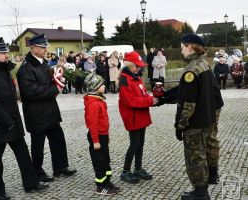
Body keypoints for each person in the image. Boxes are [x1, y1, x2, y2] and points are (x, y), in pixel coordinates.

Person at [0, 37, 48, 200]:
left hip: (12, 123)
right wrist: (8, 122)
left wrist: (14, 121)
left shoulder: (5, 70)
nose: (6, 56)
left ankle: (31, 183)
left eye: (6, 53)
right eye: (2, 53)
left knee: (23, 154)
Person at [16, 34, 76, 183]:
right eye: (42, 47)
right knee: (38, 145)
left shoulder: (42, 63)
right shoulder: (25, 68)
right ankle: (37, 171)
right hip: (37, 114)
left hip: (50, 110)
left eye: (45, 47)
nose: (45, 49)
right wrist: (54, 89)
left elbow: (48, 81)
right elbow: (31, 92)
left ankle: (60, 166)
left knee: (58, 139)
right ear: (33, 48)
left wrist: (57, 77)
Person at [164, 33, 216, 200]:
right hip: (206, 119)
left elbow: (188, 104)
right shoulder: (204, 64)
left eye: (182, 48)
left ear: (190, 46)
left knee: (195, 157)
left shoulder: (191, 70)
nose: (181, 51)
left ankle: (200, 192)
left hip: (194, 124)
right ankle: (203, 187)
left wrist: (180, 125)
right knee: (202, 153)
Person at [118, 51, 158, 184]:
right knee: (134, 145)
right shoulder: (125, 79)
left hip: (141, 116)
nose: (139, 68)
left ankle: (138, 169)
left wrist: (153, 99)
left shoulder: (136, 78)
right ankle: (125, 171)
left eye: (140, 66)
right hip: (133, 117)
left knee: (140, 144)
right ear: (129, 65)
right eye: (136, 66)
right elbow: (130, 101)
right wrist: (149, 101)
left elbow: (143, 94)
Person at [83, 73, 120, 196]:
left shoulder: (98, 100)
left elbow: (103, 122)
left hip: (102, 135)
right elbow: (93, 125)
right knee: (99, 161)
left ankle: (107, 182)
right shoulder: (93, 104)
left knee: (105, 160)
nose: (104, 86)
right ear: (94, 87)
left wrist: (106, 135)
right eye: (102, 84)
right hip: (97, 137)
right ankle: (100, 186)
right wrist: (96, 141)